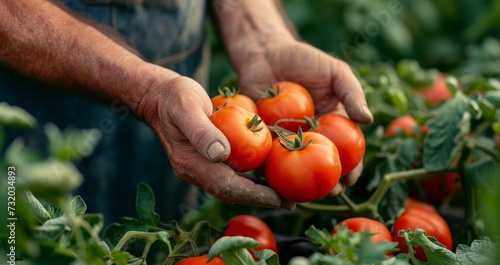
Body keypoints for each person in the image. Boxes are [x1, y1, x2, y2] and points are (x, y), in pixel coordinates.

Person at [0, 0, 373, 225]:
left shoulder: (247, 123)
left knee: (164, 242)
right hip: (31, 104)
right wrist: (145, 90)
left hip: (179, 87)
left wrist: (259, 36)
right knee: (37, 242)